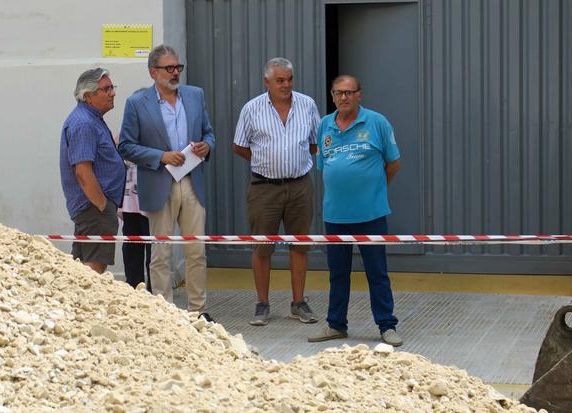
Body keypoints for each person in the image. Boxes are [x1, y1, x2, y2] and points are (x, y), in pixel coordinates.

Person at [118, 44, 215, 321]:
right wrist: (160, 156)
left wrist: (207, 146)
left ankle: (198, 311)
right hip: (159, 182)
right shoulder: (137, 103)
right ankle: (166, 314)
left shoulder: (195, 96)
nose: (175, 73)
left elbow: (209, 133)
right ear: (153, 72)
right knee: (161, 253)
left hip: (192, 181)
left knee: (196, 250)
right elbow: (126, 146)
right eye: (169, 68)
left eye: (178, 67)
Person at [307, 75, 402, 346]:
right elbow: (325, 167)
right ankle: (336, 324)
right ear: (332, 96)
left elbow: (393, 164)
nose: (344, 97)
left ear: (359, 95)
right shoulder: (324, 125)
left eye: (349, 92)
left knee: (377, 273)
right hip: (335, 215)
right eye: (339, 93)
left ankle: (387, 326)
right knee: (337, 274)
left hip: (371, 214)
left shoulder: (377, 122)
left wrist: (374, 189)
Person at [233, 57, 320, 326]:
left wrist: (293, 160)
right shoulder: (252, 109)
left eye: (289, 79)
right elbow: (239, 146)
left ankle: (298, 302)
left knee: (300, 245)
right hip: (264, 187)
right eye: (280, 80)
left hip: (299, 185)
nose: (286, 85)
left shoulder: (307, 105)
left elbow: (315, 143)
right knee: (262, 247)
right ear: (266, 82)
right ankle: (262, 303)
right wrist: (265, 160)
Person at [59, 68, 125, 274]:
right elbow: (83, 171)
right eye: (106, 89)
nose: (113, 93)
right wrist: (102, 206)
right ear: (88, 96)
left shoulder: (90, 119)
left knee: (81, 269)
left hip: (93, 209)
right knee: (94, 268)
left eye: (112, 87)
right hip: (94, 210)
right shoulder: (84, 123)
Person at [118, 160, 152, 290]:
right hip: (128, 193)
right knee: (131, 247)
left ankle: (154, 292)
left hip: (152, 191)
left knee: (153, 249)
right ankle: (134, 289)